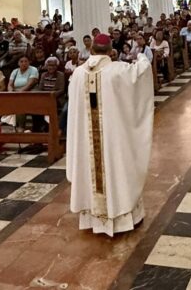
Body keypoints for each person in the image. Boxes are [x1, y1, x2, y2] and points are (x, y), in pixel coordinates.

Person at [66, 33, 154, 236]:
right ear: (111, 50)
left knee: (90, 166)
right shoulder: (118, 71)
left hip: (87, 142)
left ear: (91, 50)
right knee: (116, 167)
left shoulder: (78, 74)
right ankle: (120, 216)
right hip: (113, 138)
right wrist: (139, 55)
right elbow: (141, 72)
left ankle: (92, 216)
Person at [39, 56, 67, 136]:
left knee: (49, 105)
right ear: (46, 66)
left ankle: (50, 128)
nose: (51, 67)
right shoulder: (43, 75)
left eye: (53, 65)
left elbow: (61, 90)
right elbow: (40, 88)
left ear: (56, 66)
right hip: (44, 98)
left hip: (56, 98)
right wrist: (44, 96)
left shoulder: (60, 75)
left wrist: (51, 95)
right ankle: (41, 128)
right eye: (49, 65)